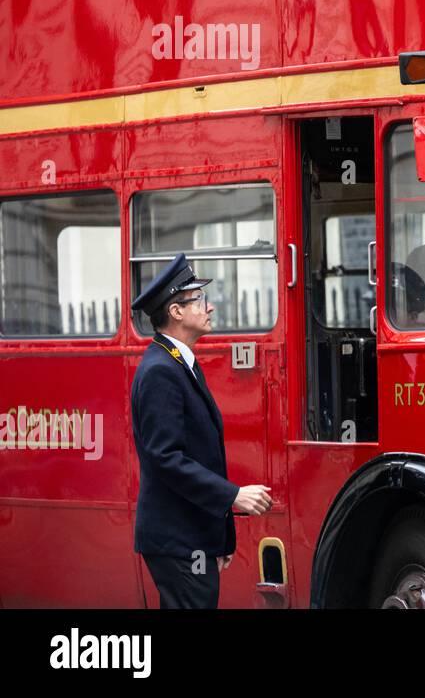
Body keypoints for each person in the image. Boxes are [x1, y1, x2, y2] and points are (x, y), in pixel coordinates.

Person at [129, 254, 272, 608]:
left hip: (189, 537)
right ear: (176, 312)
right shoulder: (161, 370)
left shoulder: (178, 363)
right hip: (176, 539)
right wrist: (232, 495)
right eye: (200, 300)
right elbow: (167, 459)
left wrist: (217, 541)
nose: (210, 307)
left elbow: (200, 457)